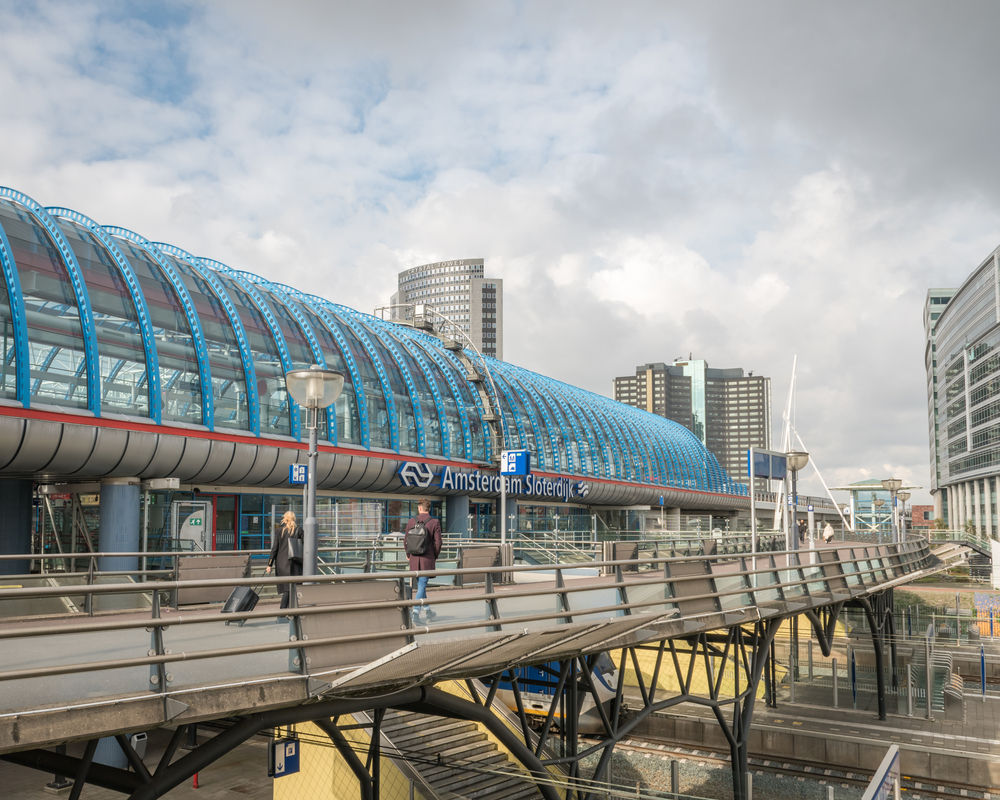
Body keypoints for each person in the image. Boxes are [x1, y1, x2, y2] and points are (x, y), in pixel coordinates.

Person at [405, 498, 442, 621]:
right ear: (429, 509)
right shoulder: (434, 522)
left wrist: (408, 554)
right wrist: (434, 555)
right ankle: (415, 613)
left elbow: (406, 541)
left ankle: (428, 611)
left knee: (421, 586)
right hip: (427, 559)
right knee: (422, 587)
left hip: (414, 559)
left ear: (419, 508)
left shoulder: (411, 522)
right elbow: (438, 543)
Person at [265, 510, 303, 609]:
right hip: (294, 562)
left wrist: (269, 564)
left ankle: (285, 612)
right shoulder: (298, 530)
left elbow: (274, 549)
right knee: (292, 588)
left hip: (281, 564)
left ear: (285, 520)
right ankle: (284, 611)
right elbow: (305, 544)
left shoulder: (279, 531)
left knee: (287, 588)